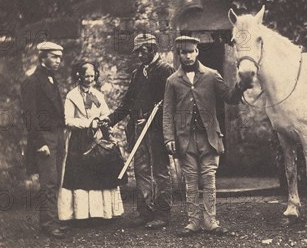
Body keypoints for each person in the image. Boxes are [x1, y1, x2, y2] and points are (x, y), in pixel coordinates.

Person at [163, 36, 252, 236]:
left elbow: (229, 97)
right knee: (191, 180)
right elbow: (167, 112)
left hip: (209, 137)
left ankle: (211, 221)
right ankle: (193, 221)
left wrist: (240, 86)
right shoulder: (172, 81)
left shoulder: (211, 75)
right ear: (179, 55)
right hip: (185, 138)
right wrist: (169, 138)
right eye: (183, 53)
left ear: (197, 52)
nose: (187, 56)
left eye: (191, 52)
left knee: (209, 179)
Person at [106, 33, 175, 229]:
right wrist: (109, 120)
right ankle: (145, 211)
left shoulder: (166, 71)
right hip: (138, 127)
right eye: (136, 52)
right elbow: (127, 103)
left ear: (153, 49)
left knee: (160, 171)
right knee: (141, 169)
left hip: (157, 128)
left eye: (142, 51)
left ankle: (163, 213)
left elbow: (173, 102)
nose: (138, 55)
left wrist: (160, 116)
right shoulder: (138, 74)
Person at [58, 61, 126, 222]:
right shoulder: (72, 96)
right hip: (79, 140)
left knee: (101, 172)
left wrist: (103, 122)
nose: (89, 79)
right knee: (79, 175)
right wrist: (89, 123)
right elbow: (68, 120)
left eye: (92, 76)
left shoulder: (98, 95)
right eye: (86, 76)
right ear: (79, 76)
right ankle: (80, 214)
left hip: (98, 138)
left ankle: (102, 213)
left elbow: (105, 113)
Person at [20, 41, 67, 238]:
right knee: (48, 182)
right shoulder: (32, 81)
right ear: (42, 58)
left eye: (59, 57)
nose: (58, 61)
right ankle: (48, 224)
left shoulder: (51, 79)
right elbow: (29, 115)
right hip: (45, 137)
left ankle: (51, 220)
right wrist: (40, 143)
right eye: (54, 57)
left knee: (55, 180)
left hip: (57, 134)